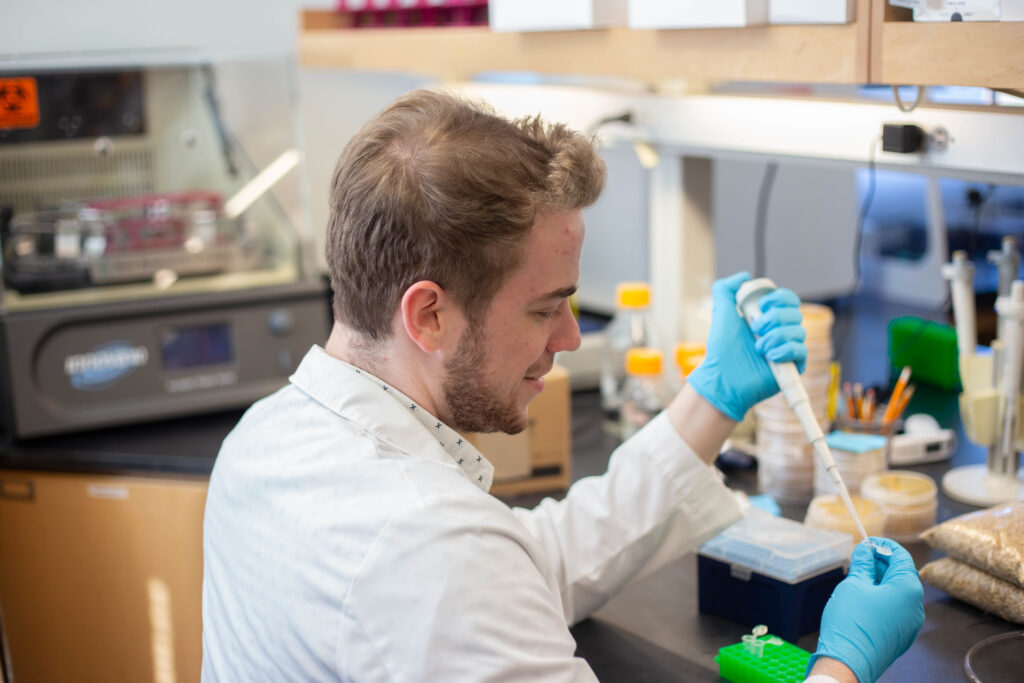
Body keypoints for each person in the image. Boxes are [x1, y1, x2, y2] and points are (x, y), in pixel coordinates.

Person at [202, 90, 923, 682]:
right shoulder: (427, 544)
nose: (570, 336)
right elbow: (466, 571)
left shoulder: (264, 440)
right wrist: (840, 668)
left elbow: (528, 561)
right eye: (546, 306)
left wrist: (712, 399)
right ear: (428, 313)